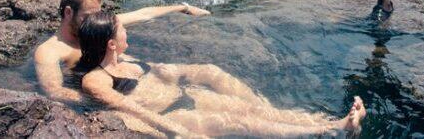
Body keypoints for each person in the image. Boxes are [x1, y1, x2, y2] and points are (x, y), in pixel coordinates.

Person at [77, 11, 367, 138]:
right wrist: (175, 131)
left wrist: (199, 74)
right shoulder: (95, 79)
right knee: (246, 123)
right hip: (170, 116)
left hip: (190, 98)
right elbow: (130, 108)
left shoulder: (127, 57)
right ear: (111, 43)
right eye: (121, 30)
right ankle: (331, 129)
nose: (127, 30)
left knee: (255, 111)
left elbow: (168, 74)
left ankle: (332, 124)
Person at [34, 0, 212, 104]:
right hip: (117, 93)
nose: (95, 20)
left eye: (97, 14)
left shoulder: (96, 25)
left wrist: (183, 8)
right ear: (68, 12)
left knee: (207, 75)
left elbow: (143, 14)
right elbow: (54, 91)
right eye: (88, 16)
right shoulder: (49, 51)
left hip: (135, 77)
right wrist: (108, 98)